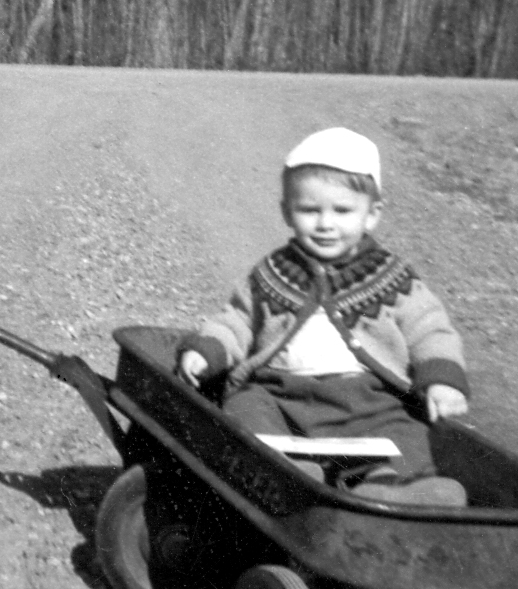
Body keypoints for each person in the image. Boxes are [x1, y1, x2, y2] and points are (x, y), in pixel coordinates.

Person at [177, 127, 469, 505]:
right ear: (287, 212)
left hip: (367, 399)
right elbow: (237, 320)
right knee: (244, 407)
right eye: (310, 210)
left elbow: (430, 330)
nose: (326, 224)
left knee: (406, 431)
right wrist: (209, 350)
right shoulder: (272, 273)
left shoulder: (393, 278)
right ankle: (286, 468)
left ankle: (392, 486)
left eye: (343, 211)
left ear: (372, 215)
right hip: (281, 394)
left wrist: (442, 380)